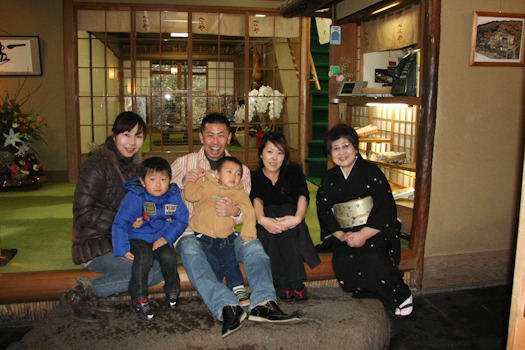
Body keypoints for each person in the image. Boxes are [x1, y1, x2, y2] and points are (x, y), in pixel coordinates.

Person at [171, 113, 300, 338]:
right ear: (201, 137)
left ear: (229, 138)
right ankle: (226, 306)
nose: (215, 141)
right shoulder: (184, 164)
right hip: (191, 232)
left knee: (254, 248)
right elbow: (160, 196)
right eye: (210, 135)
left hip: (227, 234)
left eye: (221, 135)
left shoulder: (241, 171)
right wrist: (184, 183)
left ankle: (263, 303)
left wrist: (236, 212)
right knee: (191, 251)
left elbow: (245, 211)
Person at [60, 111, 165, 323]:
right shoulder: (97, 165)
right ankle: (79, 295)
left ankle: (100, 295)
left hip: (125, 241)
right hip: (96, 244)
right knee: (150, 270)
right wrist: (123, 219)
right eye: (126, 134)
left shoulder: (135, 168)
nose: (132, 142)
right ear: (114, 135)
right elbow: (82, 213)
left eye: (138, 136)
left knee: (163, 264)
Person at [316, 123, 413, 318]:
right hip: (346, 232)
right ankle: (370, 293)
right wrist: (340, 234)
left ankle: (401, 296)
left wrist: (363, 234)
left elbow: (385, 205)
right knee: (344, 258)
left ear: (355, 148)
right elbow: (324, 209)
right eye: (335, 148)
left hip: (374, 230)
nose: (342, 152)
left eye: (346, 146)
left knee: (373, 256)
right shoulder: (329, 178)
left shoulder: (370, 171)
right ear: (330, 153)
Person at [112, 157, 189, 322]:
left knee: (168, 256)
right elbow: (120, 222)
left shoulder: (173, 195)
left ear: (170, 180)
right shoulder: (135, 196)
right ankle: (139, 298)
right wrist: (122, 248)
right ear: (143, 181)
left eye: (163, 179)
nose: (158, 184)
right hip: (138, 236)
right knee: (144, 259)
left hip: (160, 236)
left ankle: (172, 289)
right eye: (152, 179)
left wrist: (167, 237)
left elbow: (182, 219)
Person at [250, 132, 320, 301]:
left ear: (285, 156)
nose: (274, 158)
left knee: (287, 209)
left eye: (280, 153)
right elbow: (257, 199)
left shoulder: (293, 170)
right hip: (267, 227)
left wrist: (297, 218)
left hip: (293, 224)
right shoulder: (254, 177)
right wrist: (262, 219)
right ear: (261, 154)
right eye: (270, 152)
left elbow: (302, 194)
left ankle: (286, 282)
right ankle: (292, 281)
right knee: (270, 213)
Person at [184, 156, 256, 307]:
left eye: (238, 174)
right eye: (229, 172)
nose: (234, 176)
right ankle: (218, 293)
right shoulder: (206, 185)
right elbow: (190, 195)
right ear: (217, 174)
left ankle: (238, 289)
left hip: (226, 237)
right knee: (212, 264)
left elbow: (249, 211)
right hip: (203, 236)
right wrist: (192, 181)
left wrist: (248, 232)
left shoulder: (238, 192)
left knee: (231, 262)